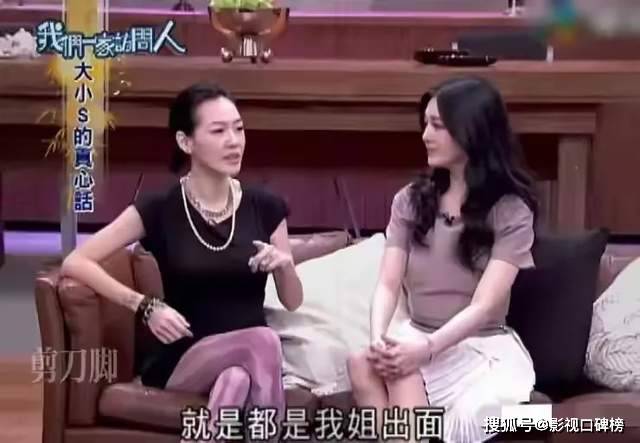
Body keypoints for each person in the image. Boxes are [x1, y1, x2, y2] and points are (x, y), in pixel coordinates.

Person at [61, 82, 303, 442]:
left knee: (236, 379)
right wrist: (145, 306)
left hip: (250, 360)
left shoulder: (265, 206)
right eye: (218, 131)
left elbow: (293, 301)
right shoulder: (160, 208)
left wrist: (284, 265)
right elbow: (76, 261)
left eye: (238, 129)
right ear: (186, 142)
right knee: (263, 341)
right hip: (186, 355)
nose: (234, 141)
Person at [347, 77, 538, 443]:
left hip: (478, 347)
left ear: (470, 131)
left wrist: (427, 350)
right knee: (362, 364)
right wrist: (377, 339)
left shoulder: (510, 210)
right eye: (425, 124)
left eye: (437, 125)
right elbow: (388, 283)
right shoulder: (410, 201)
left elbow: (484, 306)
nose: (425, 136)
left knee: (405, 370)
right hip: (417, 333)